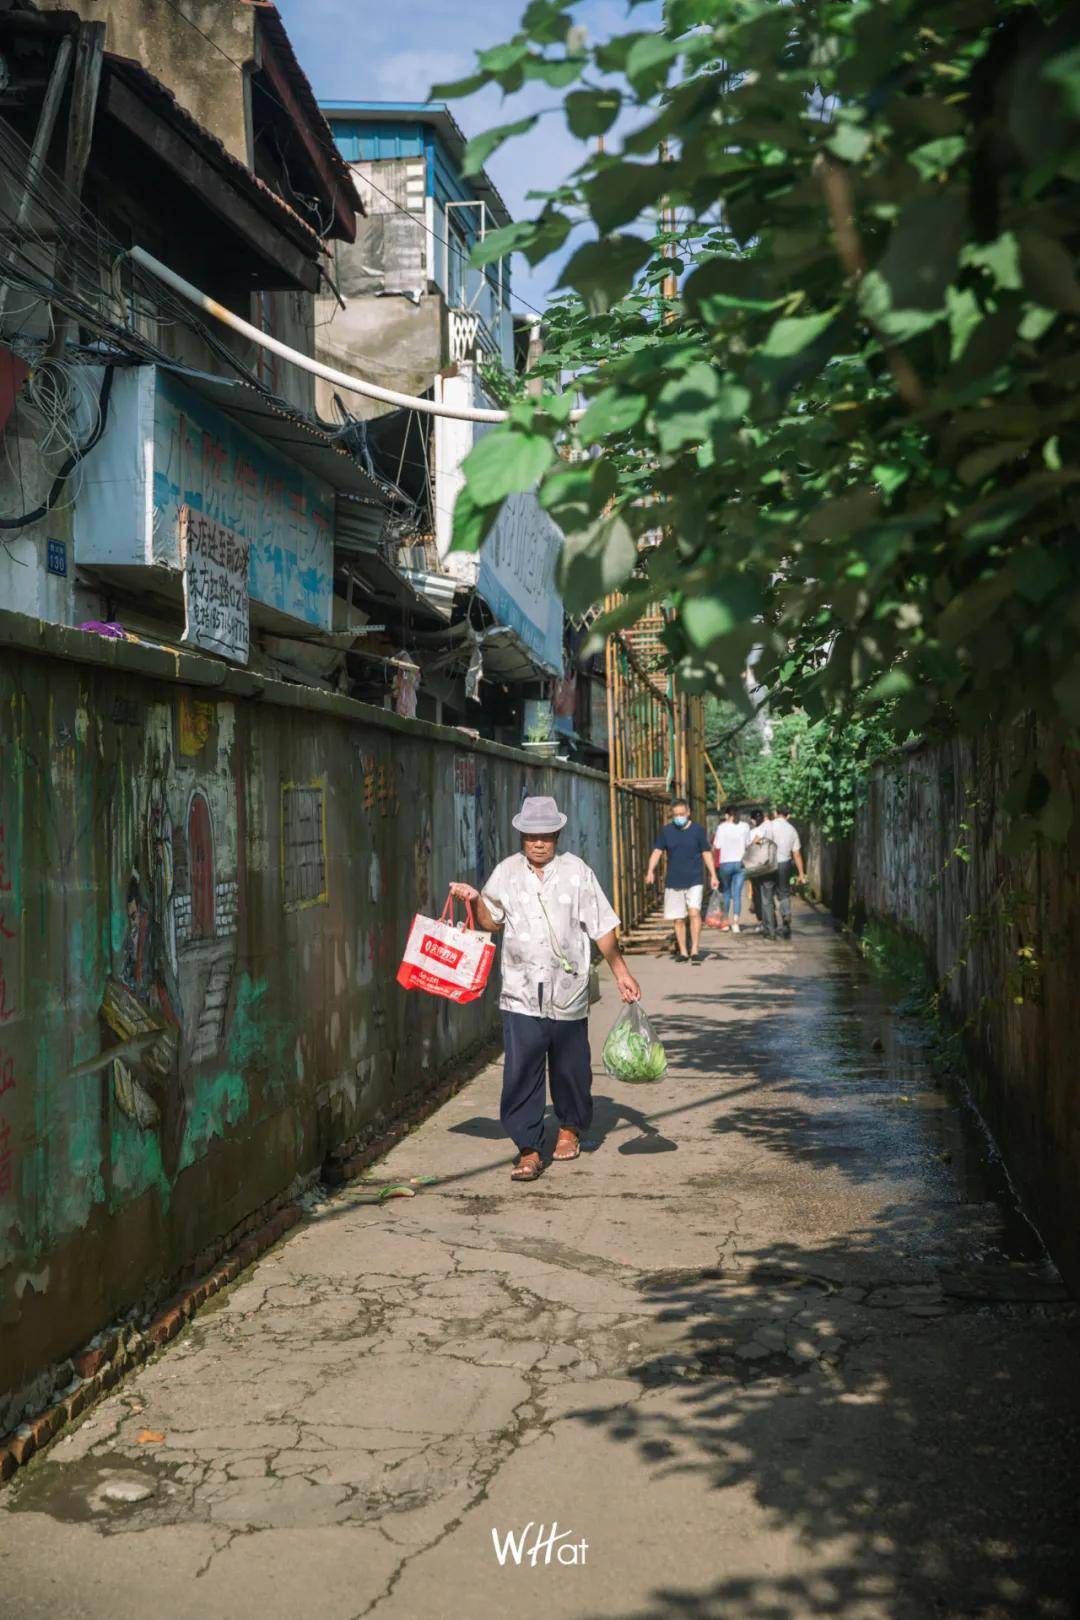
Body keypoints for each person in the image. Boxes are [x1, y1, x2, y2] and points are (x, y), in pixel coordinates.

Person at [450, 795, 640, 1184]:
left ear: (557, 835)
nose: (538, 843)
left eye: (546, 835)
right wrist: (475, 901)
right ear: (522, 836)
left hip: (568, 991)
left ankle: (569, 1127)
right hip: (520, 990)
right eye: (531, 836)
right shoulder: (506, 872)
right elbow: (492, 922)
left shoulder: (577, 872)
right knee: (521, 1071)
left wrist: (621, 971)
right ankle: (528, 1147)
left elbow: (602, 925)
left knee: (571, 1068)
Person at [645, 798, 718, 964]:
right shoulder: (667, 831)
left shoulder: (698, 831)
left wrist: (713, 874)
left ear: (688, 813)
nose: (679, 817)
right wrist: (650, 871)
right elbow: (657, 851)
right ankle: (683, 951)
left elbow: (706, 853)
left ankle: (695, 950)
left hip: (694, 879)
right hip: (674, 880)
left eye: (681, 814)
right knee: (678, 918)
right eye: (676, 814)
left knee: (694, 913)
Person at [712, 806, 749, 933]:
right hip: (740, 863)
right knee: (737, 894)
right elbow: (748, 843)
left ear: (727, 815)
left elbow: (717, 845)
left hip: (725, 863)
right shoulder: (745, 826)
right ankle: (736, 924)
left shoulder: (721, 827)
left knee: (726, 893)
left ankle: (726, 923)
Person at [771, 805, 806, 940]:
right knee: (784, 892)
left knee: (769, 892)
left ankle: (771, 923)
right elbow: (796, 854)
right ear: (788, 815)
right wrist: (801, 873)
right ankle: (786, 914)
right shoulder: (792, 830)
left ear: (775, 813)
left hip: (769, 864)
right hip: (785, 864)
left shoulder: (769, 826)